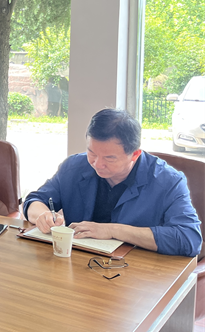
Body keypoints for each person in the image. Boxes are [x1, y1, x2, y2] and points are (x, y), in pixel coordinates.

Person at [23, 108, 202, 257]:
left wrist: (112, 230)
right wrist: (43, 216)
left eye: (109, 158)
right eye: (92, 153)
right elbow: (35, 200)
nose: (97, 164)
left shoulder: (168, 181)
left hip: (135, 274)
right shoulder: (75, 166)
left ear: (135, 154)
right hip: (76, 263)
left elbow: (189, 239)